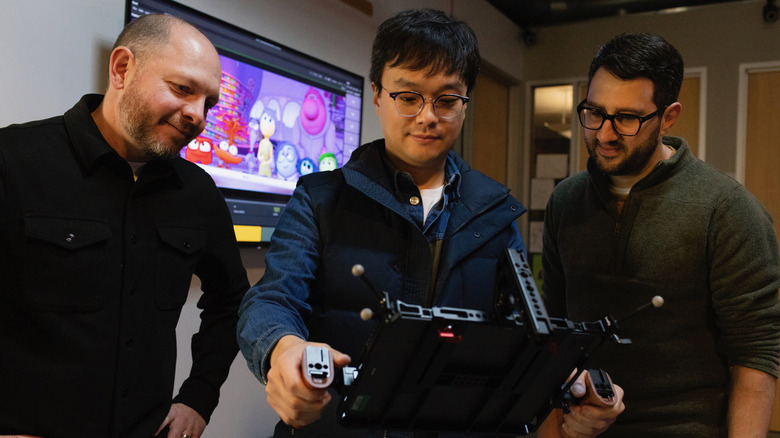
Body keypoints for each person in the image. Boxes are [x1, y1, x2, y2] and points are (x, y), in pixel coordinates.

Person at [238, 8, 624, 438]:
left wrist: (563, 378)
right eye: (408, 96)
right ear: (379, 95)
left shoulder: (495, 212)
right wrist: (282, 348)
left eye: (446, 100)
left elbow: (524, 330)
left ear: (464, 104)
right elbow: (271, 300)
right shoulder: (320, 196)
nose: (427, 116)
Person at [0, 14, 249, 438]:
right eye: (183, 89)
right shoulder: (13, 160)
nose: (197, 115)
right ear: (121, 69)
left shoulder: (198, 193)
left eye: (208, 102)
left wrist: (199, 398)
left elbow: (231, 302)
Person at [541, 32, 780, 437]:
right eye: (595, 112)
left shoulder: (726, 209)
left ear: (668, 116)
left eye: (627, 118)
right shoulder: (565, 201)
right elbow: (553, 331)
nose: (604, 134)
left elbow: (755, 353)